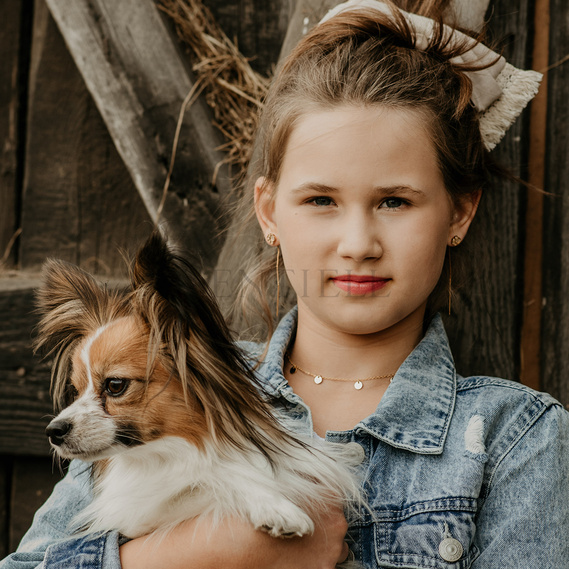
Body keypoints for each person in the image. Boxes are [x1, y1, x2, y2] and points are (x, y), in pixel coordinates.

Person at [3, 1, 568, 568]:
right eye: (321, 200)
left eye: (394, 201)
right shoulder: (175, 389)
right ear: (269, 213)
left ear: (459, 214)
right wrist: (213, 552)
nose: (357, 243)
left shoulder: (516, 440)